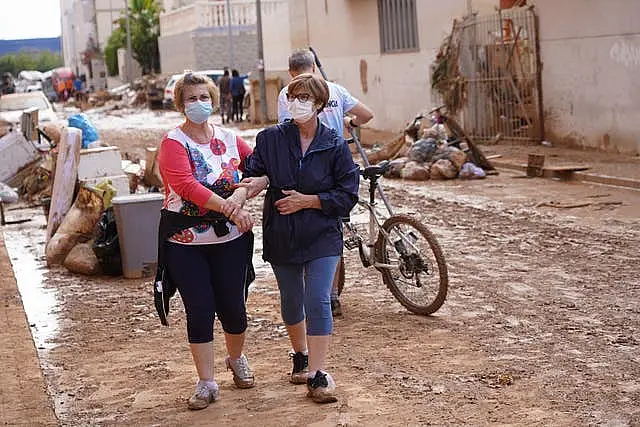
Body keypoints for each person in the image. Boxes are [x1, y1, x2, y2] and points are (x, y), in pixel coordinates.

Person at [239, 73, 360, 403]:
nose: (297, 103)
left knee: (317, 298)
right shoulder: (271, 138)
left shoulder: (334, 144)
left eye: (304, 98)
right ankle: (300, 354)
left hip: (322, 232)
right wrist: (249, 186)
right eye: (293, 97)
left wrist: (309, 200)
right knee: (292, 299)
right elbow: (255, 172)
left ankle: (319, 375)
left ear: (320, 104)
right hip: (283, 232)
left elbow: (348, 194)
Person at [155, 73, 256, 411]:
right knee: (199, 309)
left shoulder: (230, 138)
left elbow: (261, 170)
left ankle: (236, 358)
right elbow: (185, 185)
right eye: (190, 98)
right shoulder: (173, 142)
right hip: (186, 240)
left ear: (213, 98)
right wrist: (229, 207)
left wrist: (241, 192)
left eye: (203, 96)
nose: (198, 103)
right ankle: (207, 381)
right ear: (181, 104)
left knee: (234, 306)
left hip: (231, 239)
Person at [277, 48, 374, 317]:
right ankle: (330, 296)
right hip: (339, 164)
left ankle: (318, 294)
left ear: (291, 72)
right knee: (334, 232)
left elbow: (285, 130)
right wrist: (350, 123)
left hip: (309, 167)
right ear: (314, 68)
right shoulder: (336, 90)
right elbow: (367, 115)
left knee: (317, 230)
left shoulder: (288, 94)